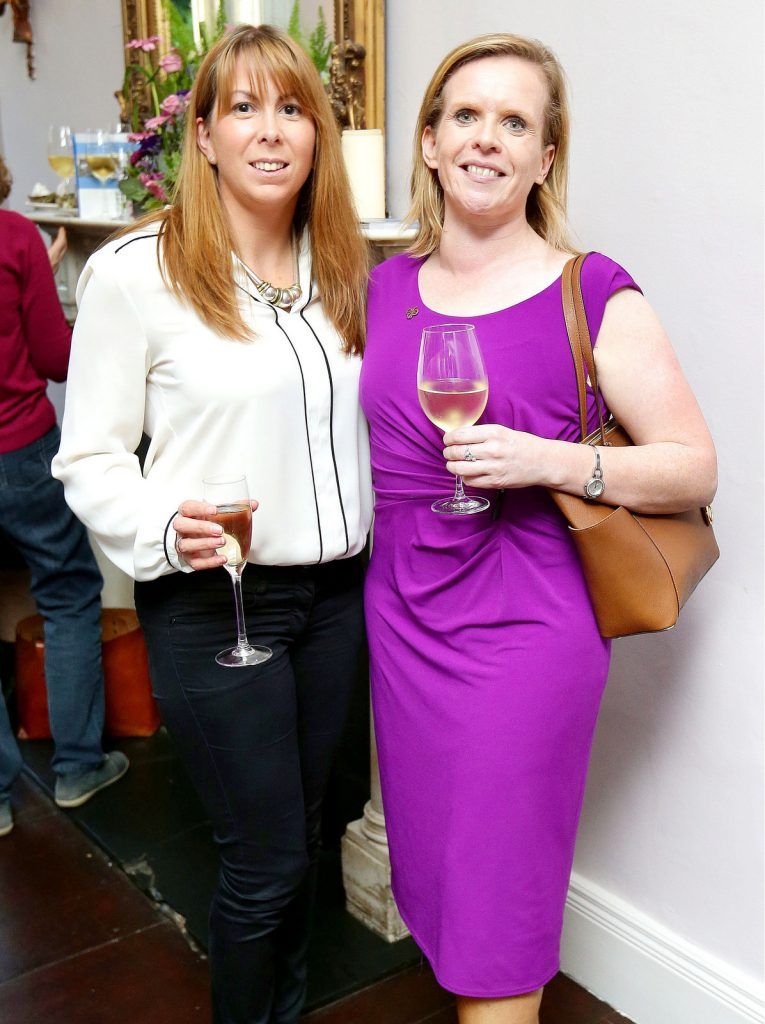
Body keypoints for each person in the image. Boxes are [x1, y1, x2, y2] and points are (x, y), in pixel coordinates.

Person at [360, 34, 717, 1024]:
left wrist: (550, 460)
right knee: (442, 883)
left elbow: (694, 463)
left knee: (498, 925)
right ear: (429, 142)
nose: (487, 140)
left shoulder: (591, 289)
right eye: (466, 116)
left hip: (525, 634)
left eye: (516, 122)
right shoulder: (384, 290)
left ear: (546, 157)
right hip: (403, 625)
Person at [53, 24, 372, 1024]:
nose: (270, 132)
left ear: (316, 134)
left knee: (307, 840)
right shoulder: (138, 274)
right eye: (242, 108)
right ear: (201, 135)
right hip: (215, 601)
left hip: (335, 600)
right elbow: (89, 455)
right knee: (265, 860)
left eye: (291, 108)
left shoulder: (350, 269)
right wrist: (160, 521)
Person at [0, 155, 128, 838]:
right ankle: (78, 767)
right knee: (70, 592)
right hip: (18, 450)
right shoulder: (16, 237)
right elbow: (54, 359)